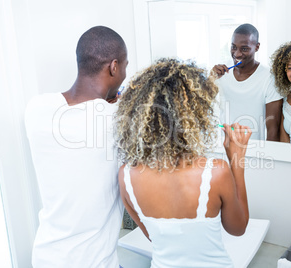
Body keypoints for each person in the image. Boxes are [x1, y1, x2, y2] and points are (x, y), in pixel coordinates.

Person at [115, 58, 251, 267]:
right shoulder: (215, 172)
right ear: (196, 114)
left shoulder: (126, 176)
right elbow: (238, 228)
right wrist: (237, 160)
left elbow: (154, 236)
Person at [25, 26, 128, 267]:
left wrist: (106, 104)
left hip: (45, 257)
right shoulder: (116, 122)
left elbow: (84, 112)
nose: (124, 73)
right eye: (124, 66)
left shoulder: (36, 108)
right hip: (93, 262)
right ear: (113, 67)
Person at [212, 23, 282, 141]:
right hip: (224, 146)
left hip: (255, 151)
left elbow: (273, 129)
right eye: (234, 47)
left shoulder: (269, 78)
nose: (237, 54)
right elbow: (202, 105)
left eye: (244, 49)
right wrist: (210, 80)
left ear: (257, 47)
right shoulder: (221, 72)